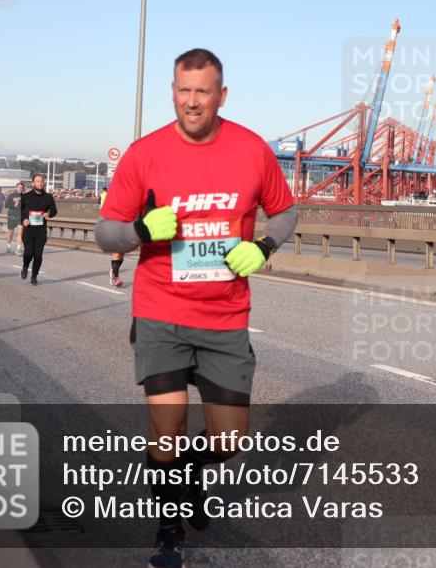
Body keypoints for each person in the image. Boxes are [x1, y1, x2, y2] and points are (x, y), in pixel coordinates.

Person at [95, 49, 297, 568]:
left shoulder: (252, 150)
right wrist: (140, 231)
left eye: (202, 91)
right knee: (167, 431)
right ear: (172, 91)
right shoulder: (145, 154)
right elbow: (103, 232)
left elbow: (285, 212)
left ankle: (185, 473)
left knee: (229, 440)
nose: (192, 102)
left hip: (225, 317)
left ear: (220, 95)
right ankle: (168, 534)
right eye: (184, 91)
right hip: (161, 311)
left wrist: (266, 248)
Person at [20, 173, 57, 285]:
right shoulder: (25, 197)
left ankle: (34, 276)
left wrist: (48, 214)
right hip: (29, 230)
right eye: (38, 181)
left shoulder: (48, 197)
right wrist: (23, 220)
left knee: (38, 255)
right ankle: (25, 266)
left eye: (42, 181)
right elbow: (19, 212)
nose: (40, 183)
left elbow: (54, 211)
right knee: (28, 253)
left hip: (41, 230)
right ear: (33, 183)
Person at [100, 186, 125, 286]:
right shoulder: (111, 198)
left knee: (122, 255)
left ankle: (113, 272)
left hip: (126, 227)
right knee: (117, 253)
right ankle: (116, 277)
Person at [6, 182, 24, 255]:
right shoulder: (11, 196)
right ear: (16, 188)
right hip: (12, 216)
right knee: (10, 233)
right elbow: (6, 205)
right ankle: (8, 246)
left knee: (20, 232)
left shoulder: (25, 196)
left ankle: (18, 248)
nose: (20, 188)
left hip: (20, 216)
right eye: (18, 187)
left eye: (21, 187)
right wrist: (14, 204)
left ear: (23, 188)